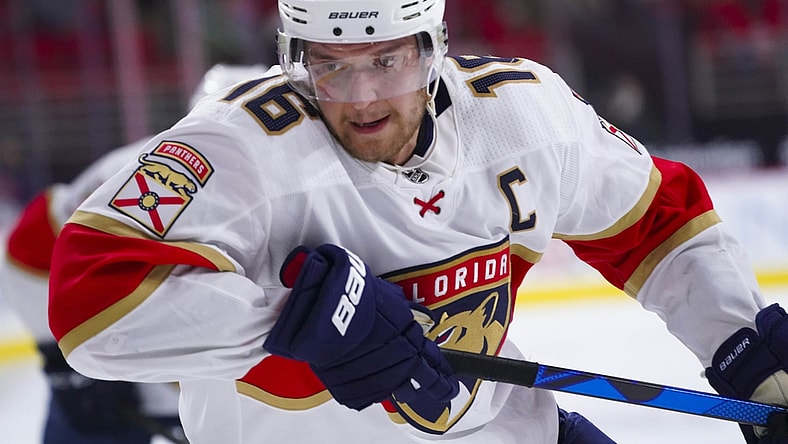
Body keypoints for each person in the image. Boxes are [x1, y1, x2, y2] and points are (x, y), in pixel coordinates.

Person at [45, 1, 788, 443]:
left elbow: (653, 220)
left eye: (388, 60)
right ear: (292, 58)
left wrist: (748, 353)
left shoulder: (522, 115)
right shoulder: (238, 150)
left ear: (433, 50)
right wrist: (295, 320)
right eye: (330, 66)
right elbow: (88, 300)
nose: (362, 97)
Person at [1, 63, 268, 444]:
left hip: (233, 401)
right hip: (122, 395)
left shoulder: (312, 186)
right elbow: (31, 246)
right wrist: (63, 363)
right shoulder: (142, 173)